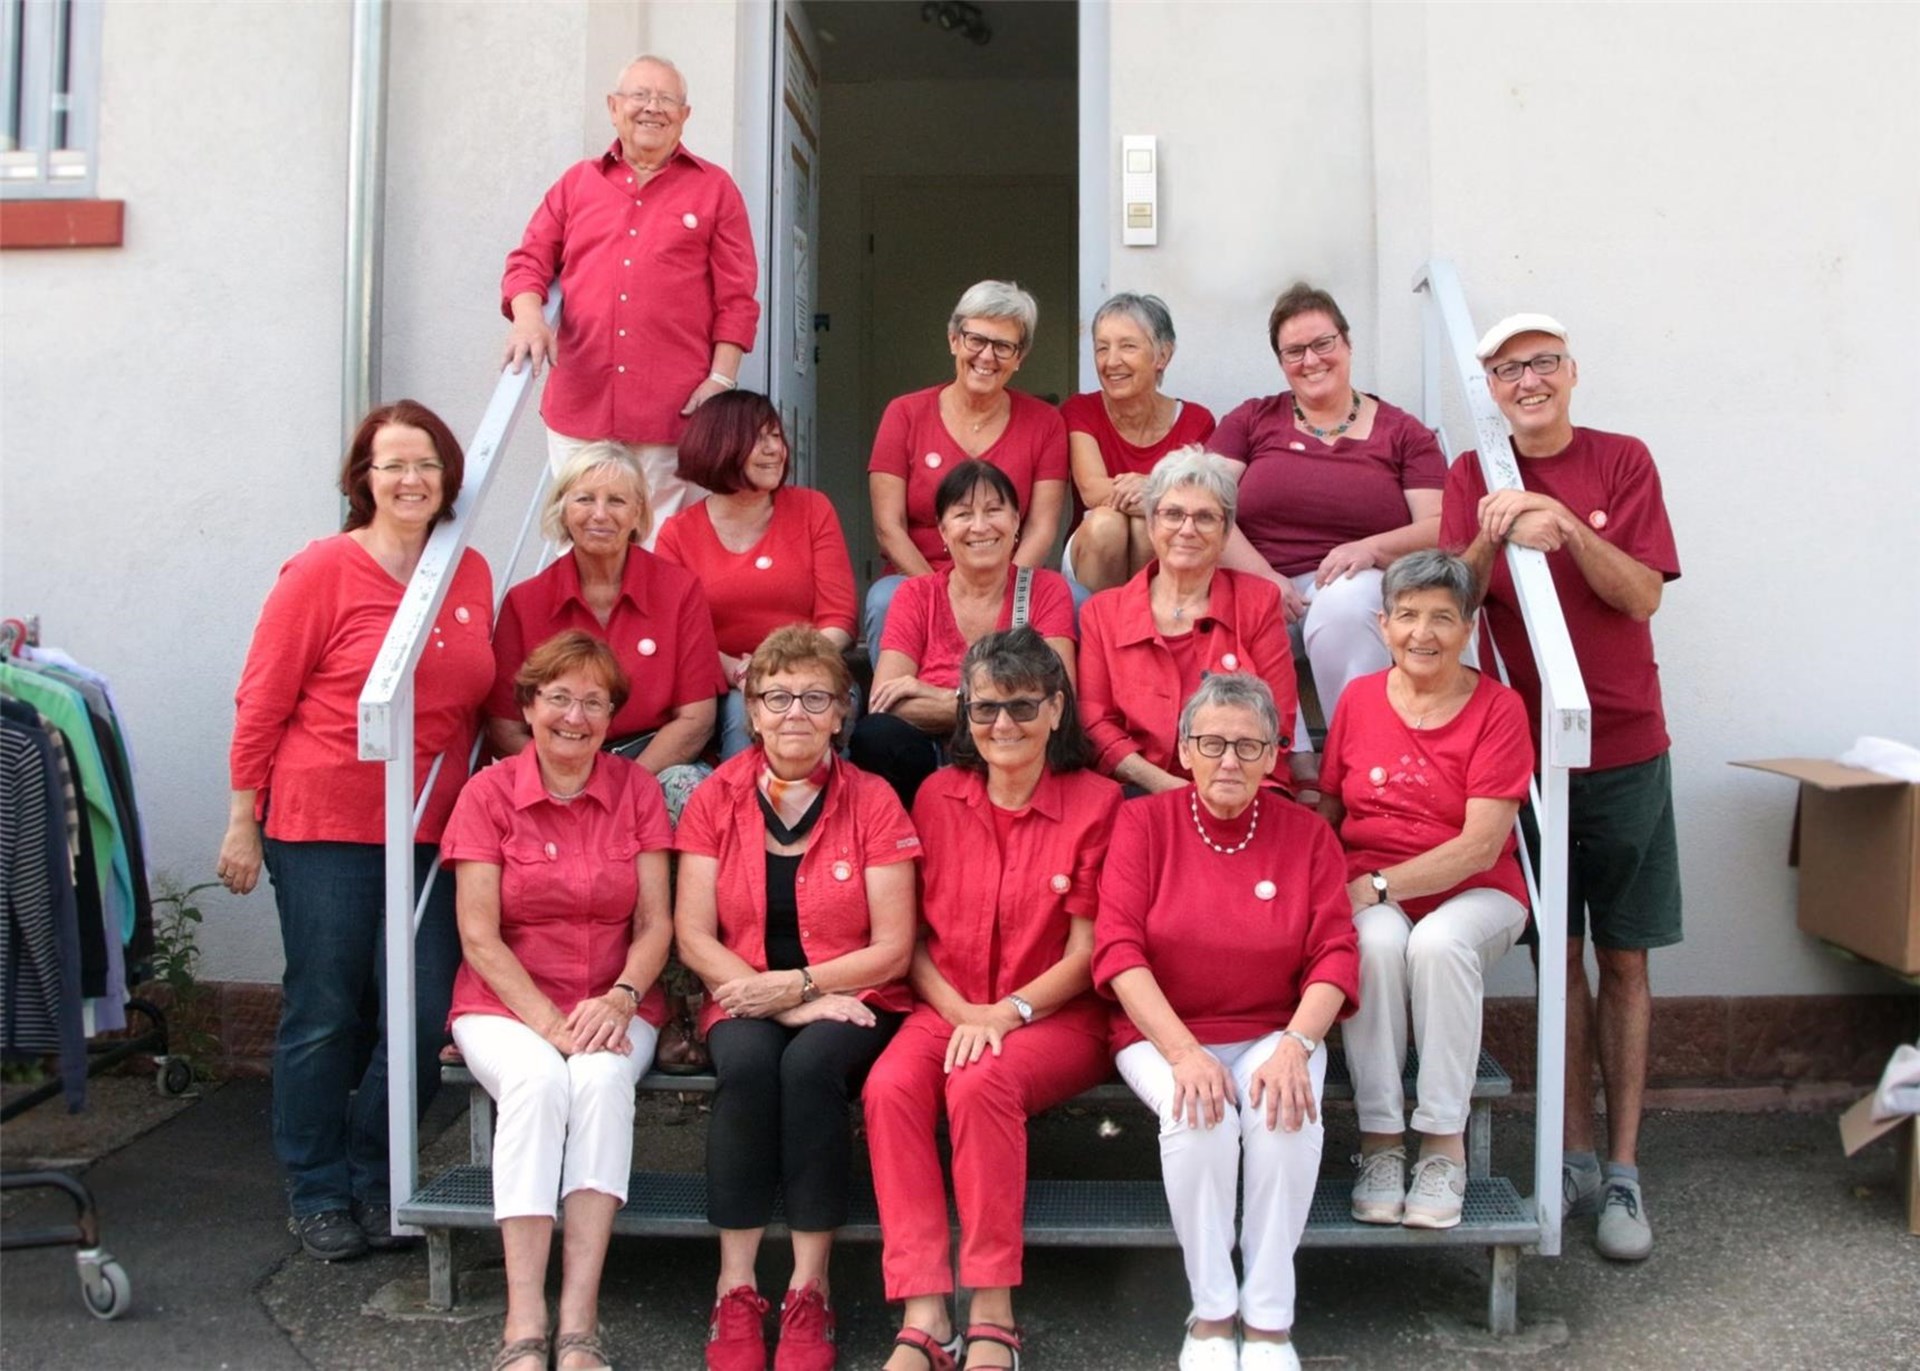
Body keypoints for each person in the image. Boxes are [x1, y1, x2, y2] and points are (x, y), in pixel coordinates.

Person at [220, 400, 493, 1262]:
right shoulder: (323, 570)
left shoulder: (469, 569)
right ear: (363, 479)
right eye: (392, 464)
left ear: (450, 475)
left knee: (418, 1013)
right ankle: (316, 1186)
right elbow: (262, 696)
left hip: (431, 828)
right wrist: (242, 817)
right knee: (326, 1010)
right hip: (325, 823)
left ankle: (381, 1178)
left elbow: (483, 702)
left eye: (426, 463)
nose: (411, 479)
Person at [1442, 312, 1682, 1262]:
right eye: (1508, 369)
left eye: (1543, 363)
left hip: (1627, 746)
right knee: (1558, 956)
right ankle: (1572, 1154)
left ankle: (1622, 1167)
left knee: (1623, 959)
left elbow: (1643, 593)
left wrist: (1570, 530)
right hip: (1529, 760)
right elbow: (1450, 610)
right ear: (1490, 386)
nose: (1527, 381)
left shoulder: (1622, 461)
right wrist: (1497, 538)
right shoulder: (1476, 474)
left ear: (1572, 372)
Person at [865, 628, 1122, 1371]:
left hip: (1054, 1016)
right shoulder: (937, 795)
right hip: (945, 1001)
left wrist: (1003, 1016)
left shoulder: (1099, 803)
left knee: (981, 1083)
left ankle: (991, 1309)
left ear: (1054, 709)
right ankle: (922, 1312)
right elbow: (909, 938)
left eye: (1019, 707)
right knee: (888, 1088)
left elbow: (1085, 955)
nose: (1001, 725)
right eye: (983, 710)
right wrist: (958, 1009)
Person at [1093, 674, 1357, 1371]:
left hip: (1278, 1025)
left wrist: (1298, 1046)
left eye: (1248, 744)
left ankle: (1269, 1318)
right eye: (1212, 742)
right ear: (1183, 750)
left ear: (1275, 754)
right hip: (1163, 1030)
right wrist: (1184, 1052)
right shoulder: (1142, 824)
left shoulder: (1307, 835)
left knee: (1284, 1111)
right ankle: (1211, 1313)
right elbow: (1119, 951)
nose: (1230, 760)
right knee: (1197, 1111)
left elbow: (1335, 950)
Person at [674, 625, 919, 1371]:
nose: (794, 713)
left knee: (811, 1067)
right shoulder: (716, 794)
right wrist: (782, 1001)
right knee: (747, 1065)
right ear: (750, 708)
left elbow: (892, 946)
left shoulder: (872, 800)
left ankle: (810, 1287)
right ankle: (736, 1285)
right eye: (776, 696)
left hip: (854, 994)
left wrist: (806, 989)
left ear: (842, 712)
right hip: (743, 992)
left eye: (815, 697)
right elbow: (691, 932)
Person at [442, 632, 675, 1371]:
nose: (575, 716)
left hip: (615, 999)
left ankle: (578, 1318)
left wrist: (622, 994)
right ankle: (523, 1318)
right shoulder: (487, 793)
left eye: (595, 702)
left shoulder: (636, 789)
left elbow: (656, 923)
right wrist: (548, 1025)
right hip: (504, 1003)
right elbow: (478, 936)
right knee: (539, 1081)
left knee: (602, 1082)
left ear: (613, 716)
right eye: (560, 698)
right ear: (530, 704)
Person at [1317, 551, 1534, 1230]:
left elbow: (1477, 846)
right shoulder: (1356, 699)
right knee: (1376, 945)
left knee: (1436, 945)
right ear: (1382, 625)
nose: (1423, 632)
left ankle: (1443, 1143)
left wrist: (1377, 883)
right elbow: (1329, 808)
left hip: (1480, 891)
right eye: (1407, 615)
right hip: (1377, 895)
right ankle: (1381, 1142)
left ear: (1468, 626)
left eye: (1442, 616)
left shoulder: (1499, 708)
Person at [502, 53, 760, 532]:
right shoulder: (578, 183)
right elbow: (528, 260)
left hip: (672, 409)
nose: (652, 108)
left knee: (658, 548)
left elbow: (738, 298)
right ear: (613, 106)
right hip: (581, 404)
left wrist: (721, 383)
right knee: (580, 537)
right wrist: (528, 316)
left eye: (667, 99)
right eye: (640, 95)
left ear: (685, 116)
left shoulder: (715, 190)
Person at [1211, 282, 1447, 751]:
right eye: (1294, 351)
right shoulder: (1254, 419)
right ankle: (1284, 763)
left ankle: (1354, 760)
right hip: (1256, 579)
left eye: (1323, 344)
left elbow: (1439, 526)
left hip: (1354, 582)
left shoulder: (1402, 432)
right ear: (1281, 362)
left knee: (1345, 602)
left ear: (1347, 343)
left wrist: (1371, 548)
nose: (1312, 360)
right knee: (1235, 614)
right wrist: (1263, 576)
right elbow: (1206, 501)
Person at [487, 444, 722, 815]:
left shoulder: (679, 590)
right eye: (584, 499)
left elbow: (696, 719)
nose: (600, 514)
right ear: (563, 509)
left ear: (638, 513)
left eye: (616, 501)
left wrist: (623, 786)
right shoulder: (524, 602)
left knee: (696, 794)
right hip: (555, 768)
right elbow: (504, 726)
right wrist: (567, 780)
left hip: (651, 766)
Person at [852, 460, 1077, 808]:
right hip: (929, 756)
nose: (980, 526)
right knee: (876, 736)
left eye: (994, 510)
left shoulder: (1046, 590)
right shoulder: (916, 594)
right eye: (963, 514)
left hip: (1017, 747)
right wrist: (1004, 702)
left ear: (1016, 521)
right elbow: (885, 703)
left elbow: (1058, 697)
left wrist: (941, 697)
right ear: (942, 530)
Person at [1078, 447, 1296, 794]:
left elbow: (1278, 718)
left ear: (1226, 534)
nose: (1187, 529)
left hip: (1239, 789)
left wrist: (1214, 792)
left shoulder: (1258, 602)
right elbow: (1094, 723)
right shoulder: (1102, 614)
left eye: (1205, 517)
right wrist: (1167, 788)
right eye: (1173, 514)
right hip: (1138, 790)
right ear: (1151, 526)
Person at [865, 280, 1069, 647]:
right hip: (918, 578)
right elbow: (888, 528)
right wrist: (940, 596)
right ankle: (893, 705)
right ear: (954, 340)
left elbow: (1041, 528)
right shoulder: (904, 414)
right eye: (976, 339)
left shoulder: (1046, 423)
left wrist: (1005, 596)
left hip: (1010, 581)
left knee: (1079, 600)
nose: (987, 356)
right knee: (884, 600)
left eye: (1004, 346)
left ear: (1020, 357)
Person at [655, 390, 857, 759]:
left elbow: (839, 618)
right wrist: (740, 673)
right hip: (730, 683)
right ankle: (743, 814)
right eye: (758, 438)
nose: (773, 449)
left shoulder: (813, 509)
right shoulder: (677, 533)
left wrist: (784, 671)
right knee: (741, 709)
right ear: (720, 445)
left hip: (813, 670)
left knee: (812, 702)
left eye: (775, 436)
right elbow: (680, 634)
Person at [1061, 292, 1216, 595]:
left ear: (1163, 356)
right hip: (1092, 552)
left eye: (1128, 346)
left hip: (1169, 553)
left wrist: (1151, 490)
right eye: (1101, 348)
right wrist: (1162, 493)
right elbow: (1093, 491)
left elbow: (1200, 503)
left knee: (1153, 529)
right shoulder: (1080, 410)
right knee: (1108, 523)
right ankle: (1098, 637)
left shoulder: (1197, 421)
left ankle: (1155, 635)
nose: (1111, 361)